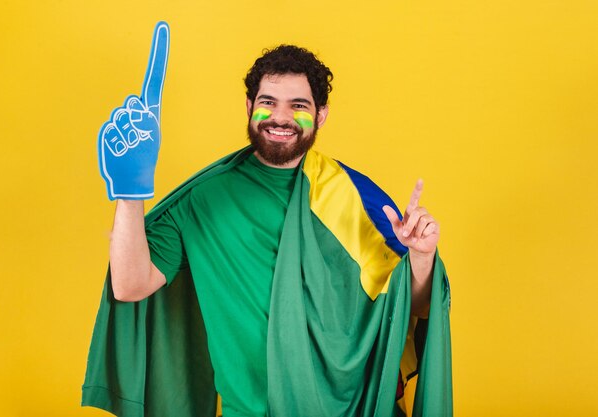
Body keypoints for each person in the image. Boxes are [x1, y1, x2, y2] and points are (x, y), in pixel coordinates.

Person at [83, 42, 452, 417]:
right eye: (268, 101)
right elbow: (130, 284)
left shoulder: (354, 197)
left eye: (298, 106)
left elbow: (416, 307)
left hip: (346, 408)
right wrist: (130, 189)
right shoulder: (204, 199)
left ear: (321, 115)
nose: (280, 117)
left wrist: (421, 257)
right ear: (249, 106)